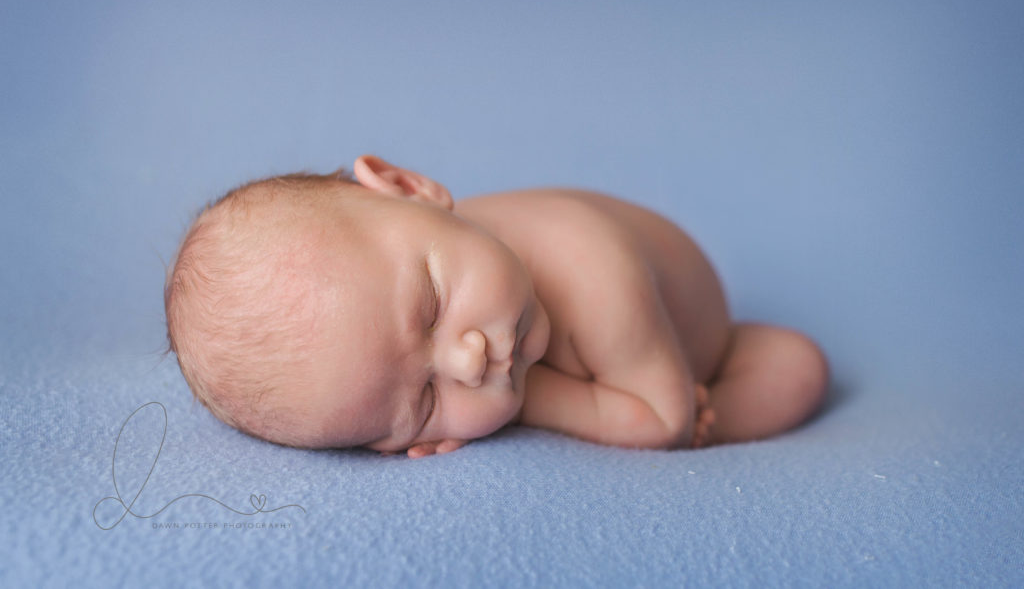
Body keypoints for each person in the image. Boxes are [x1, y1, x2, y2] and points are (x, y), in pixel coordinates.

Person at [165, 155, 828, 458]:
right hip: (635, 377)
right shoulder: (432, 259)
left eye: (431, 306)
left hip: (696, 349)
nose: (468, 359)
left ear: (409, 187)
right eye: (425, 401)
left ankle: (719, 410)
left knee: (796, 367)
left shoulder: (590, 265)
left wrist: (525, 403)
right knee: (795, 367)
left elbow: (658, 422)